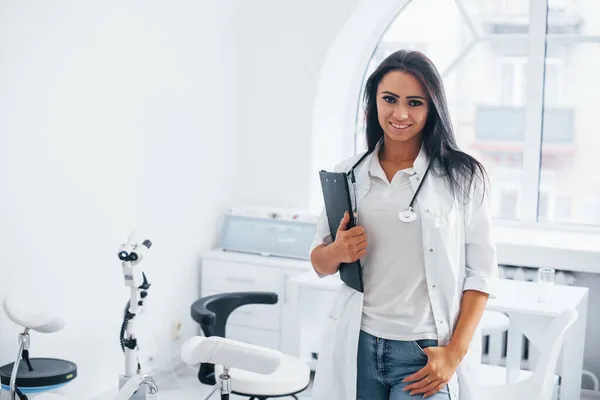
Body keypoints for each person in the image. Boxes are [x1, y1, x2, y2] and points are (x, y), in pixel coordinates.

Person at [309, 49, 499, 400]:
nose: (400, 113)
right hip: (359, 345)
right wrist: (337, 251)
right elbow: (319, 262)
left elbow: (481, 273)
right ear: (373, 104)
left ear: (432, 109)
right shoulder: (347, 173)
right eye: (389, 99)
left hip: (424, 352)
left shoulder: (462, 177)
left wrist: (454, 353)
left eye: (415, 103)